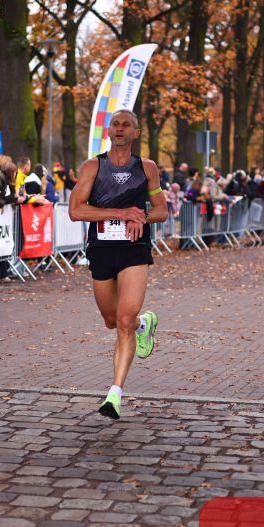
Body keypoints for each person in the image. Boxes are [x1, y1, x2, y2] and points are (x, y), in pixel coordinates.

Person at [69, 110, 168, 420]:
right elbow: (75, 210)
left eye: (126, 125)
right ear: (109, 131)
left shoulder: (147, 168)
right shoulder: (93, 167)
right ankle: (144, 325)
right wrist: (120, 213)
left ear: (136, 133)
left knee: (124, 319)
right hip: (101, 249)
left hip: (135, 250)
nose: (120, 129)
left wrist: (143, 217)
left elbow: (162, 210)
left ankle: (114, 394)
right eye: (116, 124)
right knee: (112, 320)